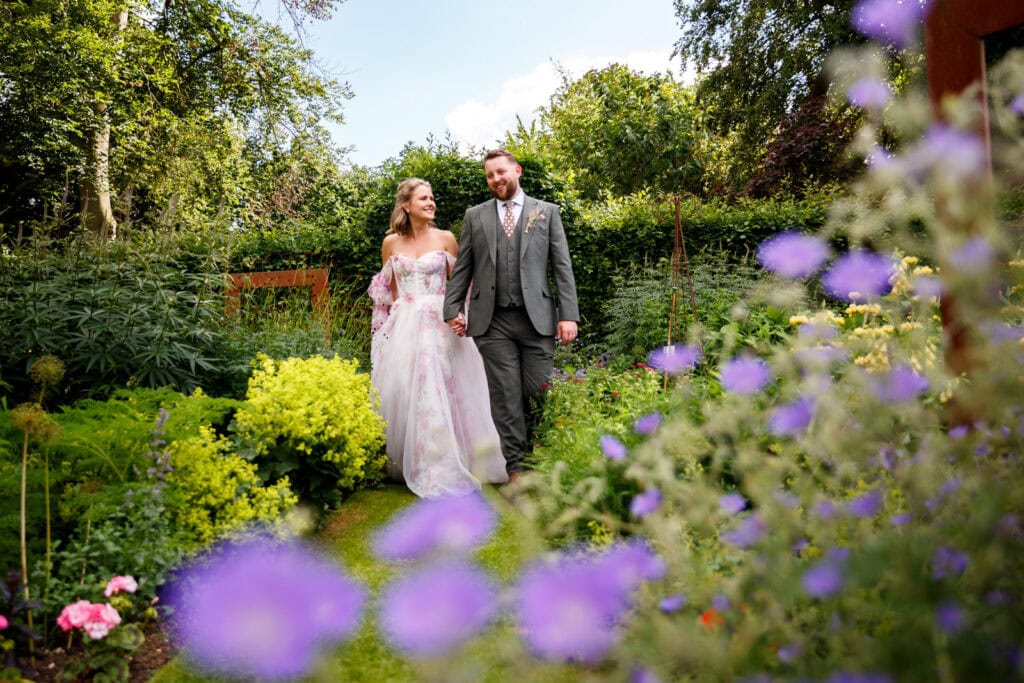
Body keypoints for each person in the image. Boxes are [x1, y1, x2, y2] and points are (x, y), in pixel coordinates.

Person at [443, 150, 579, 481]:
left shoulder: (547, 212)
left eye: (501, 172)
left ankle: (532, 458)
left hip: (538, 319)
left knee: (536, 392)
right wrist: (452, 308)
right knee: (505, 395)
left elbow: (561, 266)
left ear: (516, 171)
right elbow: (463, 268)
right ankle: (517, 469)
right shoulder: (475, 216)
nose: (496, 180)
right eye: (490, 175)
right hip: (492, 321)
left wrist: (568, 315)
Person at [367, 178, 508, 497]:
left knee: (444, 387)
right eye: (423, 199)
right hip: (405, 325)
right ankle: (413, 460)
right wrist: (386, 332)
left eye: (432, 198)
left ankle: (448, 461)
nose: (431, 203)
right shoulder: (390, 243)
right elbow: (388, 293)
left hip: (441, 324)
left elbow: (461, 287)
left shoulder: (446, 238)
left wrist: (461, 316)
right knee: (408, 389)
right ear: (406, 205)